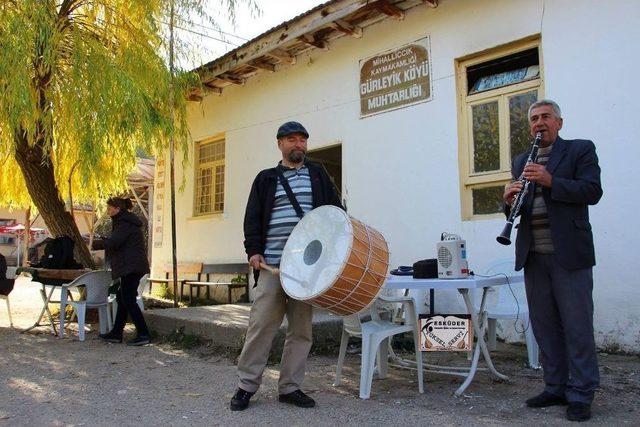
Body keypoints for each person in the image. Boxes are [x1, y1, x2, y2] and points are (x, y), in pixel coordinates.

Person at [230, 121, 342, 411]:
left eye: (303, 140)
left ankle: (290, 387)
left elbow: (335, 212)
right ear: (280, 144)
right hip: (273, 266)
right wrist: (253, 250)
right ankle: (246, 386)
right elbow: (252, 218)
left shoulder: (318, 174)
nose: (299, 145)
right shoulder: (265, 179)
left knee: (302, 330)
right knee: (261, 326)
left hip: (307, 270)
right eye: (292, 139)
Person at [503, 99, 602, 422]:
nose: (539, 123)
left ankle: (581, 393)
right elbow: (521, 209)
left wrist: (550, 181)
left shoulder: (579, 150)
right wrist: (509, 201)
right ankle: (556, 386)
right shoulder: (521, 160)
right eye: (534, 119)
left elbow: (591, 191)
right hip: (534, 254)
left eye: (546, 117)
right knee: (545, 328)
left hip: (568, 254)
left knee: (576, 327)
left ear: (559, 122)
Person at [93, 197, 151, 346]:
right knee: (122, 297)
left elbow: (114, 242)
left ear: (117, 209)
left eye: (110, 208)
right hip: (130, 266)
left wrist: (94, 244)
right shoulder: (123, 222)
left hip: (132, 266)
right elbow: (117, 241)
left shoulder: (125, 223)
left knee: (128, 299)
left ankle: (144, 334)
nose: (108, 211)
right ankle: (116, 333)